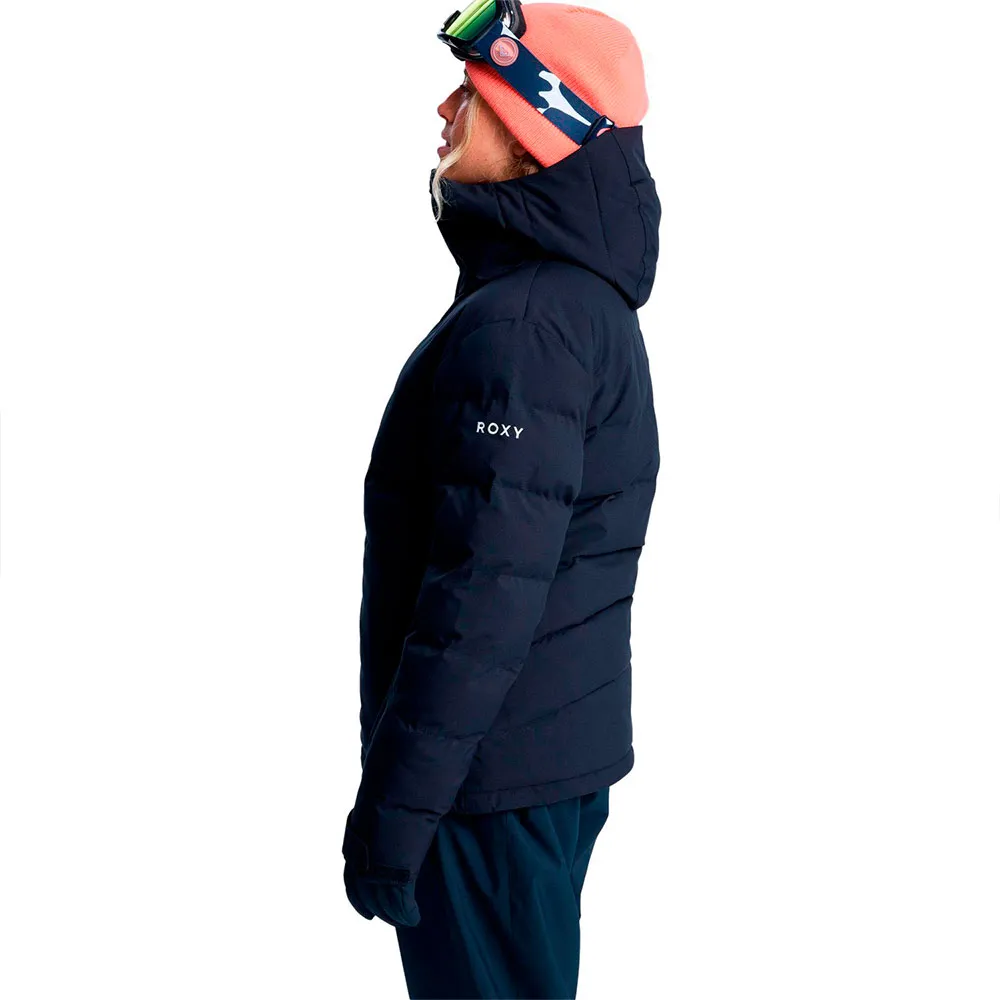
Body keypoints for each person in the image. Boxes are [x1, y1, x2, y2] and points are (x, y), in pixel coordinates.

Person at [342, 3, 661, 997]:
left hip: (486, 785)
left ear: (539, 122)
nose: (444, 111)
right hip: (529, 765)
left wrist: (396, 813)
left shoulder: (524, 325)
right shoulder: (569, 305)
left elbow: (482, 596)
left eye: (471, 93)